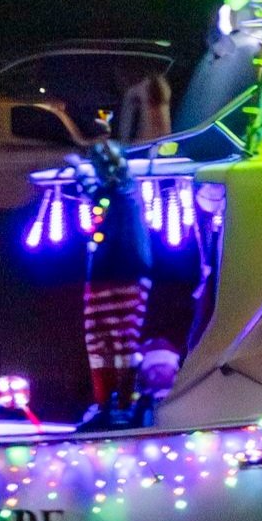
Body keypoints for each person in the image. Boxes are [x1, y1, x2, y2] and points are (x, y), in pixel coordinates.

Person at [78, 141, 153, 431]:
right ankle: (106, 404)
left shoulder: (124, 189)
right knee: (99, 340)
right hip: (105, 272)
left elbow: (117, 183)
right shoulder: (108, 194)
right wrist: (81, 173)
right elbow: (100, 192)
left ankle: (123, 404)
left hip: (125, 269)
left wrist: (101, 166)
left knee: (122, 340)